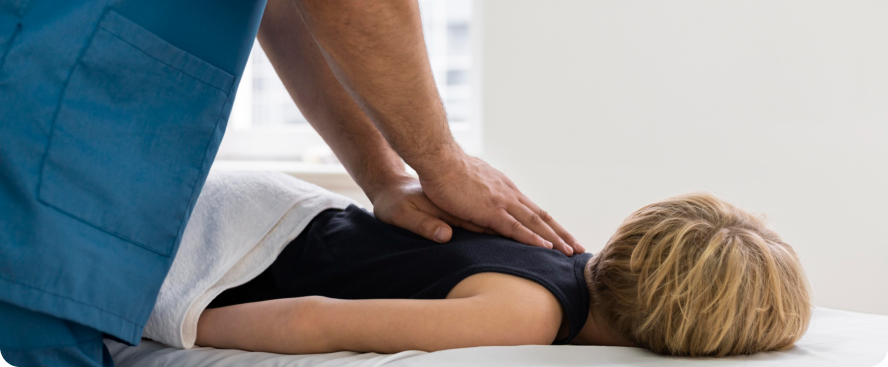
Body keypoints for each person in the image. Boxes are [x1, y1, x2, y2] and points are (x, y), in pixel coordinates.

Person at [0, 0, 580, 366]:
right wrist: (171, 332)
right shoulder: (531, 310)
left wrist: (386, 176)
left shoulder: (549, 261)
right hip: (50, 128)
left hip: (253, 209)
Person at [195, 193, 812, 357]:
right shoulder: (527, 316)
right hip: (233, 245)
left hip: (283, 208)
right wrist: (166, 322)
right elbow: (314, 321)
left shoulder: (561, 254)